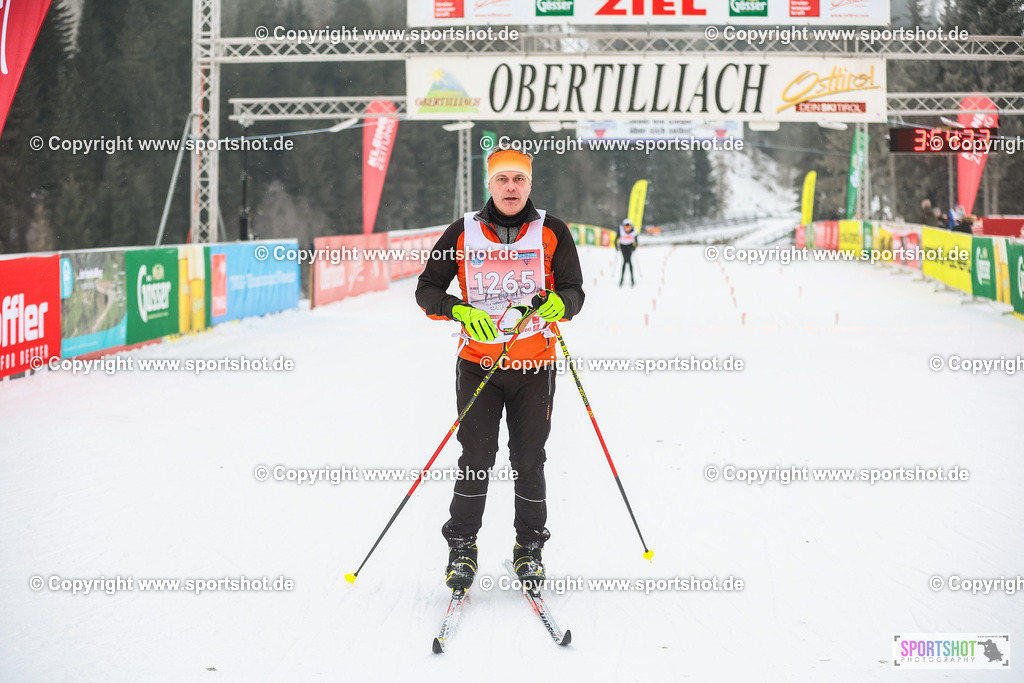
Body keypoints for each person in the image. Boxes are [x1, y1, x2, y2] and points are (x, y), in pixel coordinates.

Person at [415, 149, 585, 592]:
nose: (511, 187)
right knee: (476, 459)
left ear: (530, 185)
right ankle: (462, 548)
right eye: (503, 179)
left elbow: (574, 291)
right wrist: (457, 310)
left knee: (528, 460)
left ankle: (529, 549)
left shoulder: (552, 230)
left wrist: (559, 303)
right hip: (479, 366)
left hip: (535, 366)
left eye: (519, 180)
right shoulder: (463, 231)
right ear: (489, 185)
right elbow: (427, 289)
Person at [617, 219, 639, 287]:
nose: (627, 228)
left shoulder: (634, 231)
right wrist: (616, 247)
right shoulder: (621, 230)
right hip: (623, 246)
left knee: (628, 261)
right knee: (626, 261)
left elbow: (636, 239)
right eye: (626, 226)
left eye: (628, 226)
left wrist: (635, 247)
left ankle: (632, 279)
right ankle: (622, 279)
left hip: (630, 246)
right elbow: (616, 238)